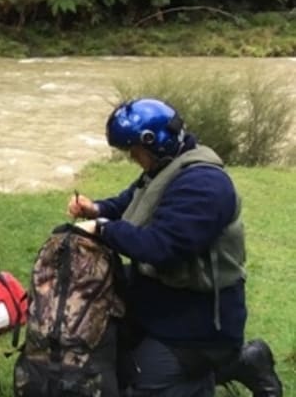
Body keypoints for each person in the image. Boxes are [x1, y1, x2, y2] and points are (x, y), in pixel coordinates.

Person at [69, 98, 283, 396]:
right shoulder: (165, 168)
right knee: (109, 352)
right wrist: (97, 208)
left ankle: (234, 361)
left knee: (140, 384)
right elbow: (133, 200)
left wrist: (103, 229)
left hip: (201, 324)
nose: (132, 157)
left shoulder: (203, 185)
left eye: (134, 151)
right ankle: (223, 367)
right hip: (162, 300)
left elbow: (164, 248)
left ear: (154, 141)